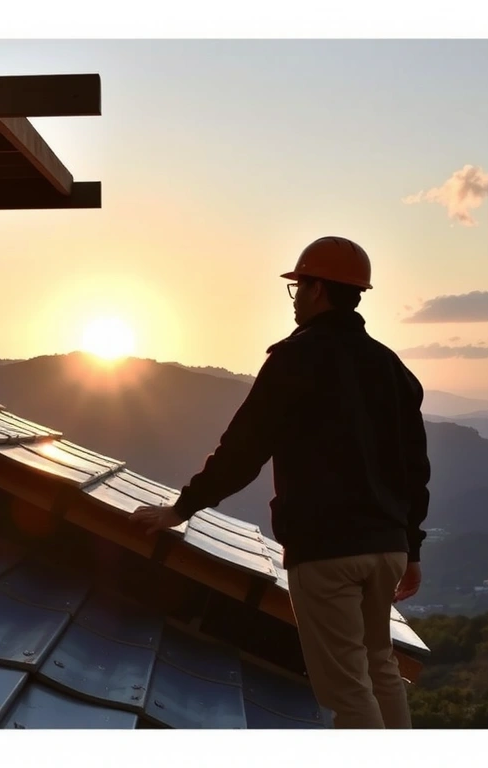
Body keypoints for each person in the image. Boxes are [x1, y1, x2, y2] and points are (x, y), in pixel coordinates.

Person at [131, 236, 430, 729]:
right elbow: (414, 467)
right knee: (380, 667)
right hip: (388, 548)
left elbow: (244, 449)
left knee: (348, 689)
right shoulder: (392, 367)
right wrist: (411, 547)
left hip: (327, 550)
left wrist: (181, 509)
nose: (295, 299)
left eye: (298, 287)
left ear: (317, 289)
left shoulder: (295, 358)